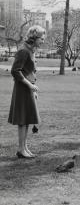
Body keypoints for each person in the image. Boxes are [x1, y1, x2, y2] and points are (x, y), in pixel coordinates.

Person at [8, 25, 46, 158]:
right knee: (23, 119)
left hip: (29, 88)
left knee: (27, 118)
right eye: (41, 38)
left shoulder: (31, 50)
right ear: (34, 38)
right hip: (22, 89)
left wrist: (32, 86)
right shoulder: (23, 51)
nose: (43, 40)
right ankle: (20, 149)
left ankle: (24, 148)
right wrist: (30, 85)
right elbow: (15, 71)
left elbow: (28, 71)